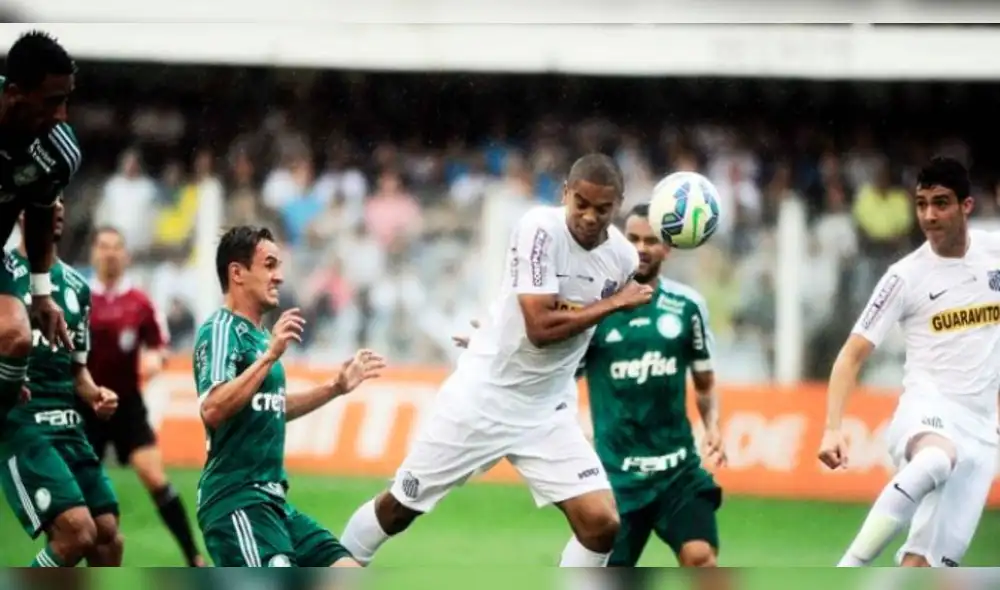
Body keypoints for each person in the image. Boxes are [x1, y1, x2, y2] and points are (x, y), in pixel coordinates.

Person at [340, 153, 652, 568]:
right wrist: (613, 304)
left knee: (601, 523)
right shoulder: (539, 228)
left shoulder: (622, 259)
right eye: (582, 203)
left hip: (545, 411)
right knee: (399, 508)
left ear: (618, 205)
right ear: (565, 195)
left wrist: (500, 333)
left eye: (603, 208)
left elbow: (584, 333)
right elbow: (540, 328)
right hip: (482, 397)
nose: (591, 216)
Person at [819, 156, 1000, 568]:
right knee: (936, 459)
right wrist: (832, 428)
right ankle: (846, 570)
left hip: (981, 434)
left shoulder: (994, 253)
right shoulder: (904, 276)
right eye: (921, 204)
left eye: (941, 203)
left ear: (967, 206)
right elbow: (851, 356)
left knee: (923, 567)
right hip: (927, 409)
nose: (929, 216)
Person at [193, 225, 385, 567]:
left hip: (274, 502)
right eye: (269, 265)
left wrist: (335, 388)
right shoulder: (221, 330)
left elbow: (271, 408)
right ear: (237, 273)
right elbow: (213, 408)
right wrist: (270, 356)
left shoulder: (259, 336)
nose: (279, 277)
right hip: (236, 501)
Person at [583, 202, 726, 568]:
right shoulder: (597, 309)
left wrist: (712, 426)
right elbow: (557, 372)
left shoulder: (686, 307)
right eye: (632, 239)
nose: (641, 248)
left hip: (676, 470)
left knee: (700, 557)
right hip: (617, 479)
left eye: (651, 240)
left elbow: (705, 381)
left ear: (668, 247)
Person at [0, 199, 122, 568]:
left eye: (62, 202)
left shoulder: (76, 288)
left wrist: (96, 393)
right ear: (23, 214)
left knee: (107, 536)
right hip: (21, 423)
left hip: (67, 425)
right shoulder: (4, 275)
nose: (58, 207)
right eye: (47, 202)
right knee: (76, 533)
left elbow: (77, 372)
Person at [81, 226, 205, 566]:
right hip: (85, 405)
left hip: (127, 405)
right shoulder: (78, 297)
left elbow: (159, 346)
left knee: (154, 477)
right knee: (78, 492)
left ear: (126, 255)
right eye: (103, 246)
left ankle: (193, 556)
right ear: (94, 253)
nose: (110, 253)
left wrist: (156, 360)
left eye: (116, 247)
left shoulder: (140, 302)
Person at [0, 30, 80, 451]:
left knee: (15, 336)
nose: (63, 115)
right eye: (52, 101)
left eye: (67, 99)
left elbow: (40, 209)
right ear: (15, 94)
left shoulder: (57, 151)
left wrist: (41, 294)